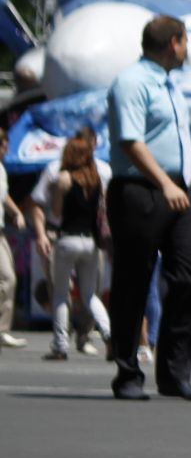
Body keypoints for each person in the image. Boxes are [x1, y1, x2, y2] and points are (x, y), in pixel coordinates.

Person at [105, 14, 191, 400]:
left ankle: (174, 373)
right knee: (134, 280)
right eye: (186, 42)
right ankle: (128, 372)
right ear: (174, 43)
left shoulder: (170, 86)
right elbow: (131, 140)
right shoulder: (131, 82)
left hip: (178, 190)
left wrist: (187, 184)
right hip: (140, 189)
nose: (187, 49)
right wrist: (164, 183)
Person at [27, 126, 109, 357]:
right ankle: (109, 333)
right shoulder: (98, 179)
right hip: (91, 241)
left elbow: (56, 211)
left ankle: (61, 344)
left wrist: (61, 193)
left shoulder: (63, 178)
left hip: (66, 239)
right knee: (90, 293)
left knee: (61, 294)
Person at [0, 124, 23, 349]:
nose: (6, 148)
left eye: (6, 144)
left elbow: (4, 196)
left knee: (8, 278)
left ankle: (2, 329)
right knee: (6, 278)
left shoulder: (2, 169)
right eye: (2, 144)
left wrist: (15, 212)